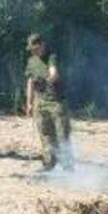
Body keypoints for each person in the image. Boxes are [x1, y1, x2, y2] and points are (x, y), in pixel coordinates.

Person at [25, 33, 73, 171]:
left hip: (57, 102)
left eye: (36, 48)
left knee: (62, 134)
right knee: (45, 134)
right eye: (32, 49)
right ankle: (49, 163)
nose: (34, 51)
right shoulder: (31, 61)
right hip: (40, 102)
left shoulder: (52, 56)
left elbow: (54, 73)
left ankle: (68, 167)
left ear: (42, 45)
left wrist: (47, 80)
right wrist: (29, 102)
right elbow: (29, 82)